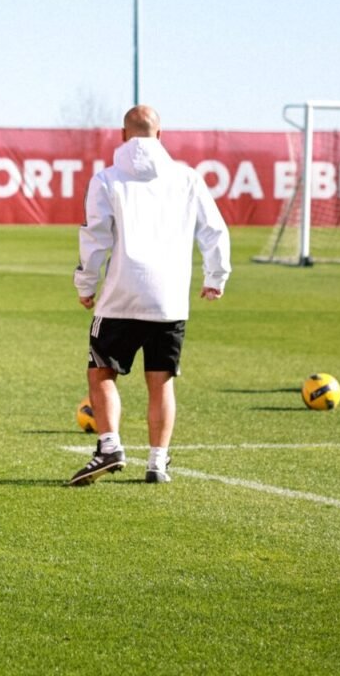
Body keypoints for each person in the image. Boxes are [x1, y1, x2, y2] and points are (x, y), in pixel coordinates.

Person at [66, 105, 231, 487]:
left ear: (122, 135)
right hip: (170, 299)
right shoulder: (188, 178)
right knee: (161, 381)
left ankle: (109, 447)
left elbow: (95, 237)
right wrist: (216, 276)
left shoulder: (107, 179)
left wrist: (86, 285)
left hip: (123, 294)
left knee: (102, 372)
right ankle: (157, 462)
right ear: (161, 135)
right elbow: (213, 230)